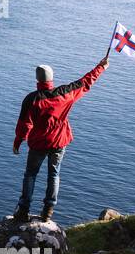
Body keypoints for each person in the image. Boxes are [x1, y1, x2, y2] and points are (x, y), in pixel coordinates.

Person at [13, 54, 108, 221]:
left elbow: (24, 125)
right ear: (51, 78)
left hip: (39, 144)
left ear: (37, 79)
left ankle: (23, 210)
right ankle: (48, 210)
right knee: (54, 174)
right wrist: (101, 66)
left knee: (30, 174)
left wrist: (18, 142)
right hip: (59, 142)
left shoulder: (31, 99)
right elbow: (85, 82)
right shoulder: (65, 93)